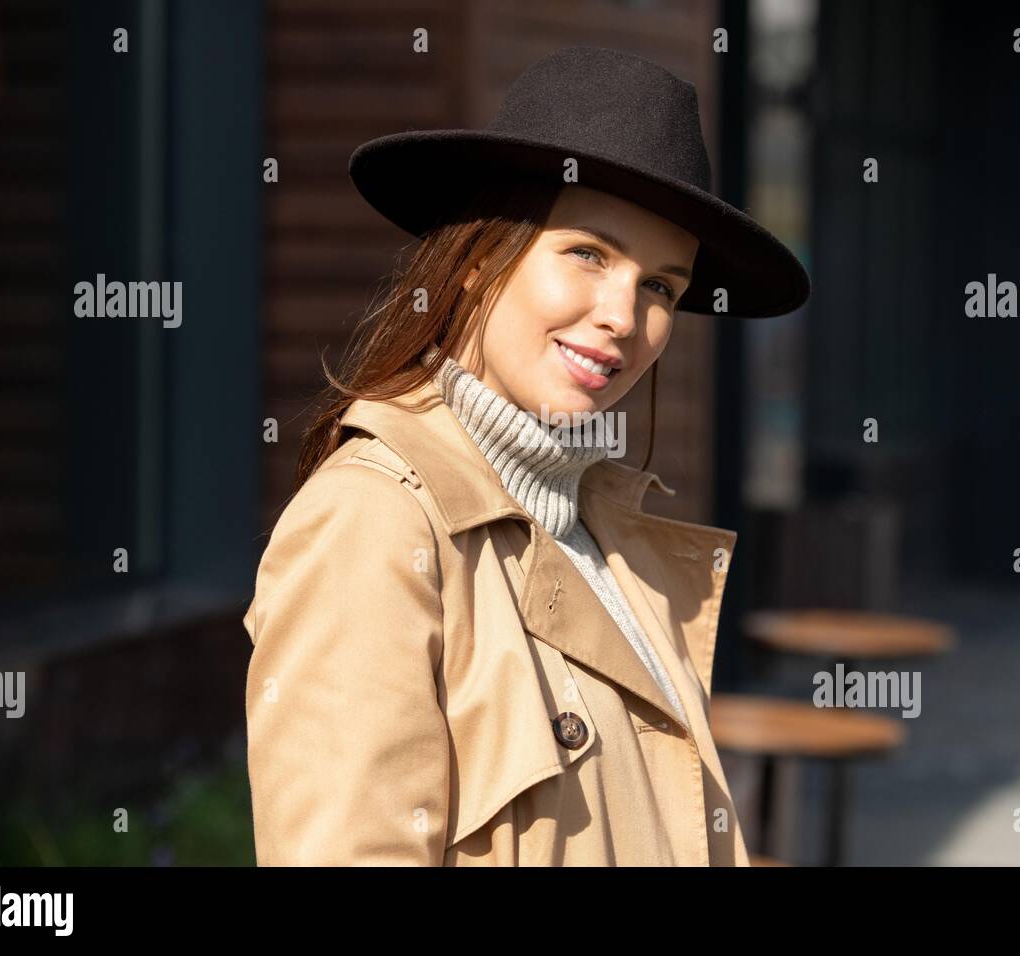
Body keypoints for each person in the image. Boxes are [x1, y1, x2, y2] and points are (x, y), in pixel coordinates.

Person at [242, 46, 810, 866]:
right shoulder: (373, 523)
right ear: (478, 264)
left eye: (662, 287)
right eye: (588, 252)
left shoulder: (613, 539)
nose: (625, 316)